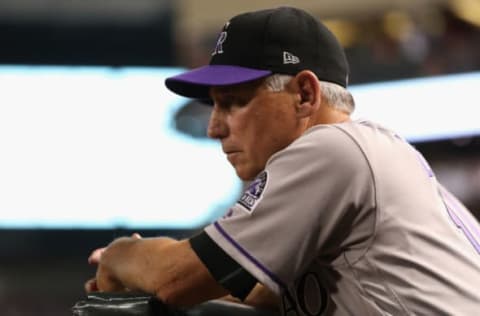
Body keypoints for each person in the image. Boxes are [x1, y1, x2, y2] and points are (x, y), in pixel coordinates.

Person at [85, 6, 480, 315]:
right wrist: (147, 271)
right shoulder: (367, 153)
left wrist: (123, 255)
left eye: (234, 102)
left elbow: (178, 279)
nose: (215, 128)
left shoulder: (332, 149)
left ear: (305, 94)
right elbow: (255, 291)